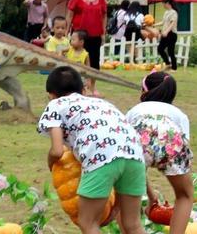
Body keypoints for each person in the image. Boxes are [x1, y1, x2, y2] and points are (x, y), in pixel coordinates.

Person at [38, 67, 146, 234]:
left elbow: (57, 151)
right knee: (132, 224)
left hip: (100, 157)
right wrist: (116, 205)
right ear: (83, 90)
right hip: (135, 156)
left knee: (87, 222)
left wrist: (50, 164)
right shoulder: (101, 102)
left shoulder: (55, 105)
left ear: (50, 95)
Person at [126, 72, 193, 234]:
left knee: (124, 197)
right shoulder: (179, 115)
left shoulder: (134, 111)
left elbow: (136, 166)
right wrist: (152, 196)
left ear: (144, 91)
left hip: (139, 138)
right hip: (171, 139)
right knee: (185, 195)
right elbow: (183, 150)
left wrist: (150, 196)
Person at [66, 0, 108, 96]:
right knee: (77, 60)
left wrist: (103, 32)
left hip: (95, 35)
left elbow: (104, 15)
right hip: (79, 35)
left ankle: (92, 88)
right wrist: (67, 29)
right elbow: (69, 14)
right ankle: (76, 87)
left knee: (94, 62)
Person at [157, 0, 180, 72]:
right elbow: (163, 22)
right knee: (160, 49)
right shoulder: (166, 12)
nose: (163, 5)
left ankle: (174, 68)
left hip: (171, 34)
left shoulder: (174, 12)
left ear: (167, 3)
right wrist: (153, 24)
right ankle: (167, 63)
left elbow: (172, 23)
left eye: (163, 3)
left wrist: (166, 31)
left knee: (171, 51)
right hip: (165, 33)